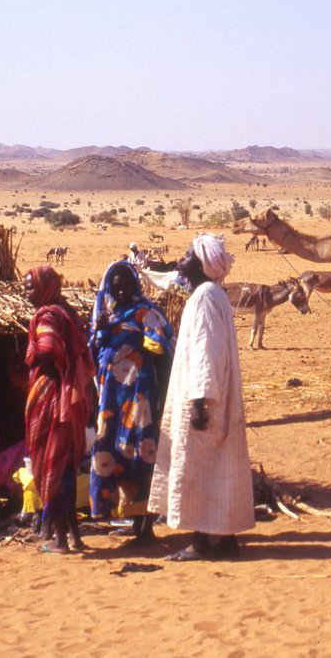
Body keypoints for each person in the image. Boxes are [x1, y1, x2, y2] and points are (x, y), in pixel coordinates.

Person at [149, 234, 254, 561]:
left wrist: (200, 402)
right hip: (207, 395)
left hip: (203, 399)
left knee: (199, 467)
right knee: (213, 469)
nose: (180, 259)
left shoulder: (207, 296)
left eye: (187, 255)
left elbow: (208, 351)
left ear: (202, 264)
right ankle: (222, 540)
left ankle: (202, 542)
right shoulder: (210, 294)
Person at [89, 260, 174, 545]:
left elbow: (164, 355)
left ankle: (145, 526)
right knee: (112, 452)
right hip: (111, 401)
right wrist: (100, 332)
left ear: (135, 284)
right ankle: (125, 516)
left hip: (140, 400)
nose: (121, 289)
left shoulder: (147, 314)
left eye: (126, 283)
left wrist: (161, 399)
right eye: (116, 285)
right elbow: (93, 353)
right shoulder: (106, 317)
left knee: (141, 453)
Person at [24, 265, 95, 554]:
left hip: (53, 397)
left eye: (30, 287)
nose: (25, 292)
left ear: (45, 287)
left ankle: (61, 540)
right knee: (65, 464)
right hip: (69, 399)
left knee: (52, 464)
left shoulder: (48, 315)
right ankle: (74, 537)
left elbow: (48, 349)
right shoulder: (67, 312)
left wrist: (29, 355)